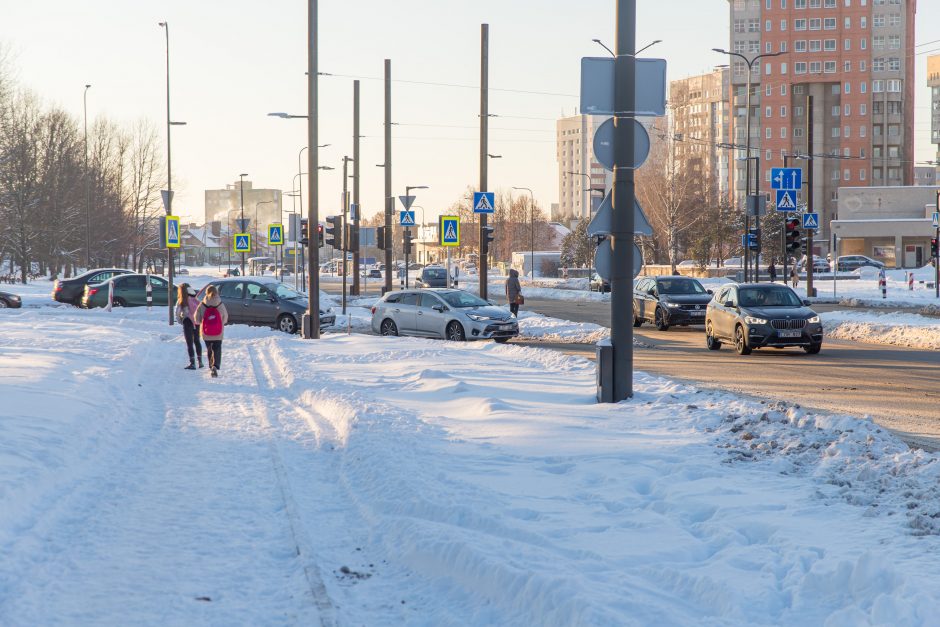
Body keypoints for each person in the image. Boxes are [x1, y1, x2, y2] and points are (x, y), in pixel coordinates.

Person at [194, 284, 229, 378]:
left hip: (206, 332)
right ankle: (215, 365)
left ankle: (211, 366)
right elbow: (225, 318)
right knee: (217, 348)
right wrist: (221, 323)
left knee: (210, 349)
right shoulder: (220, 304)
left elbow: (196, 318)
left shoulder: (202, 304)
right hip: (218, 332)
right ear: (216, 292)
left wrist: (202, 322)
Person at [175, 282, 203, 370]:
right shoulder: (195, 298)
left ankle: (192, 363)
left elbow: (178, 312)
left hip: (187, 322)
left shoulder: (182, 300)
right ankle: (200, 361)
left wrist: (180, 321)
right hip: (196, 322)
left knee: (189, 343)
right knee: (197, 341)